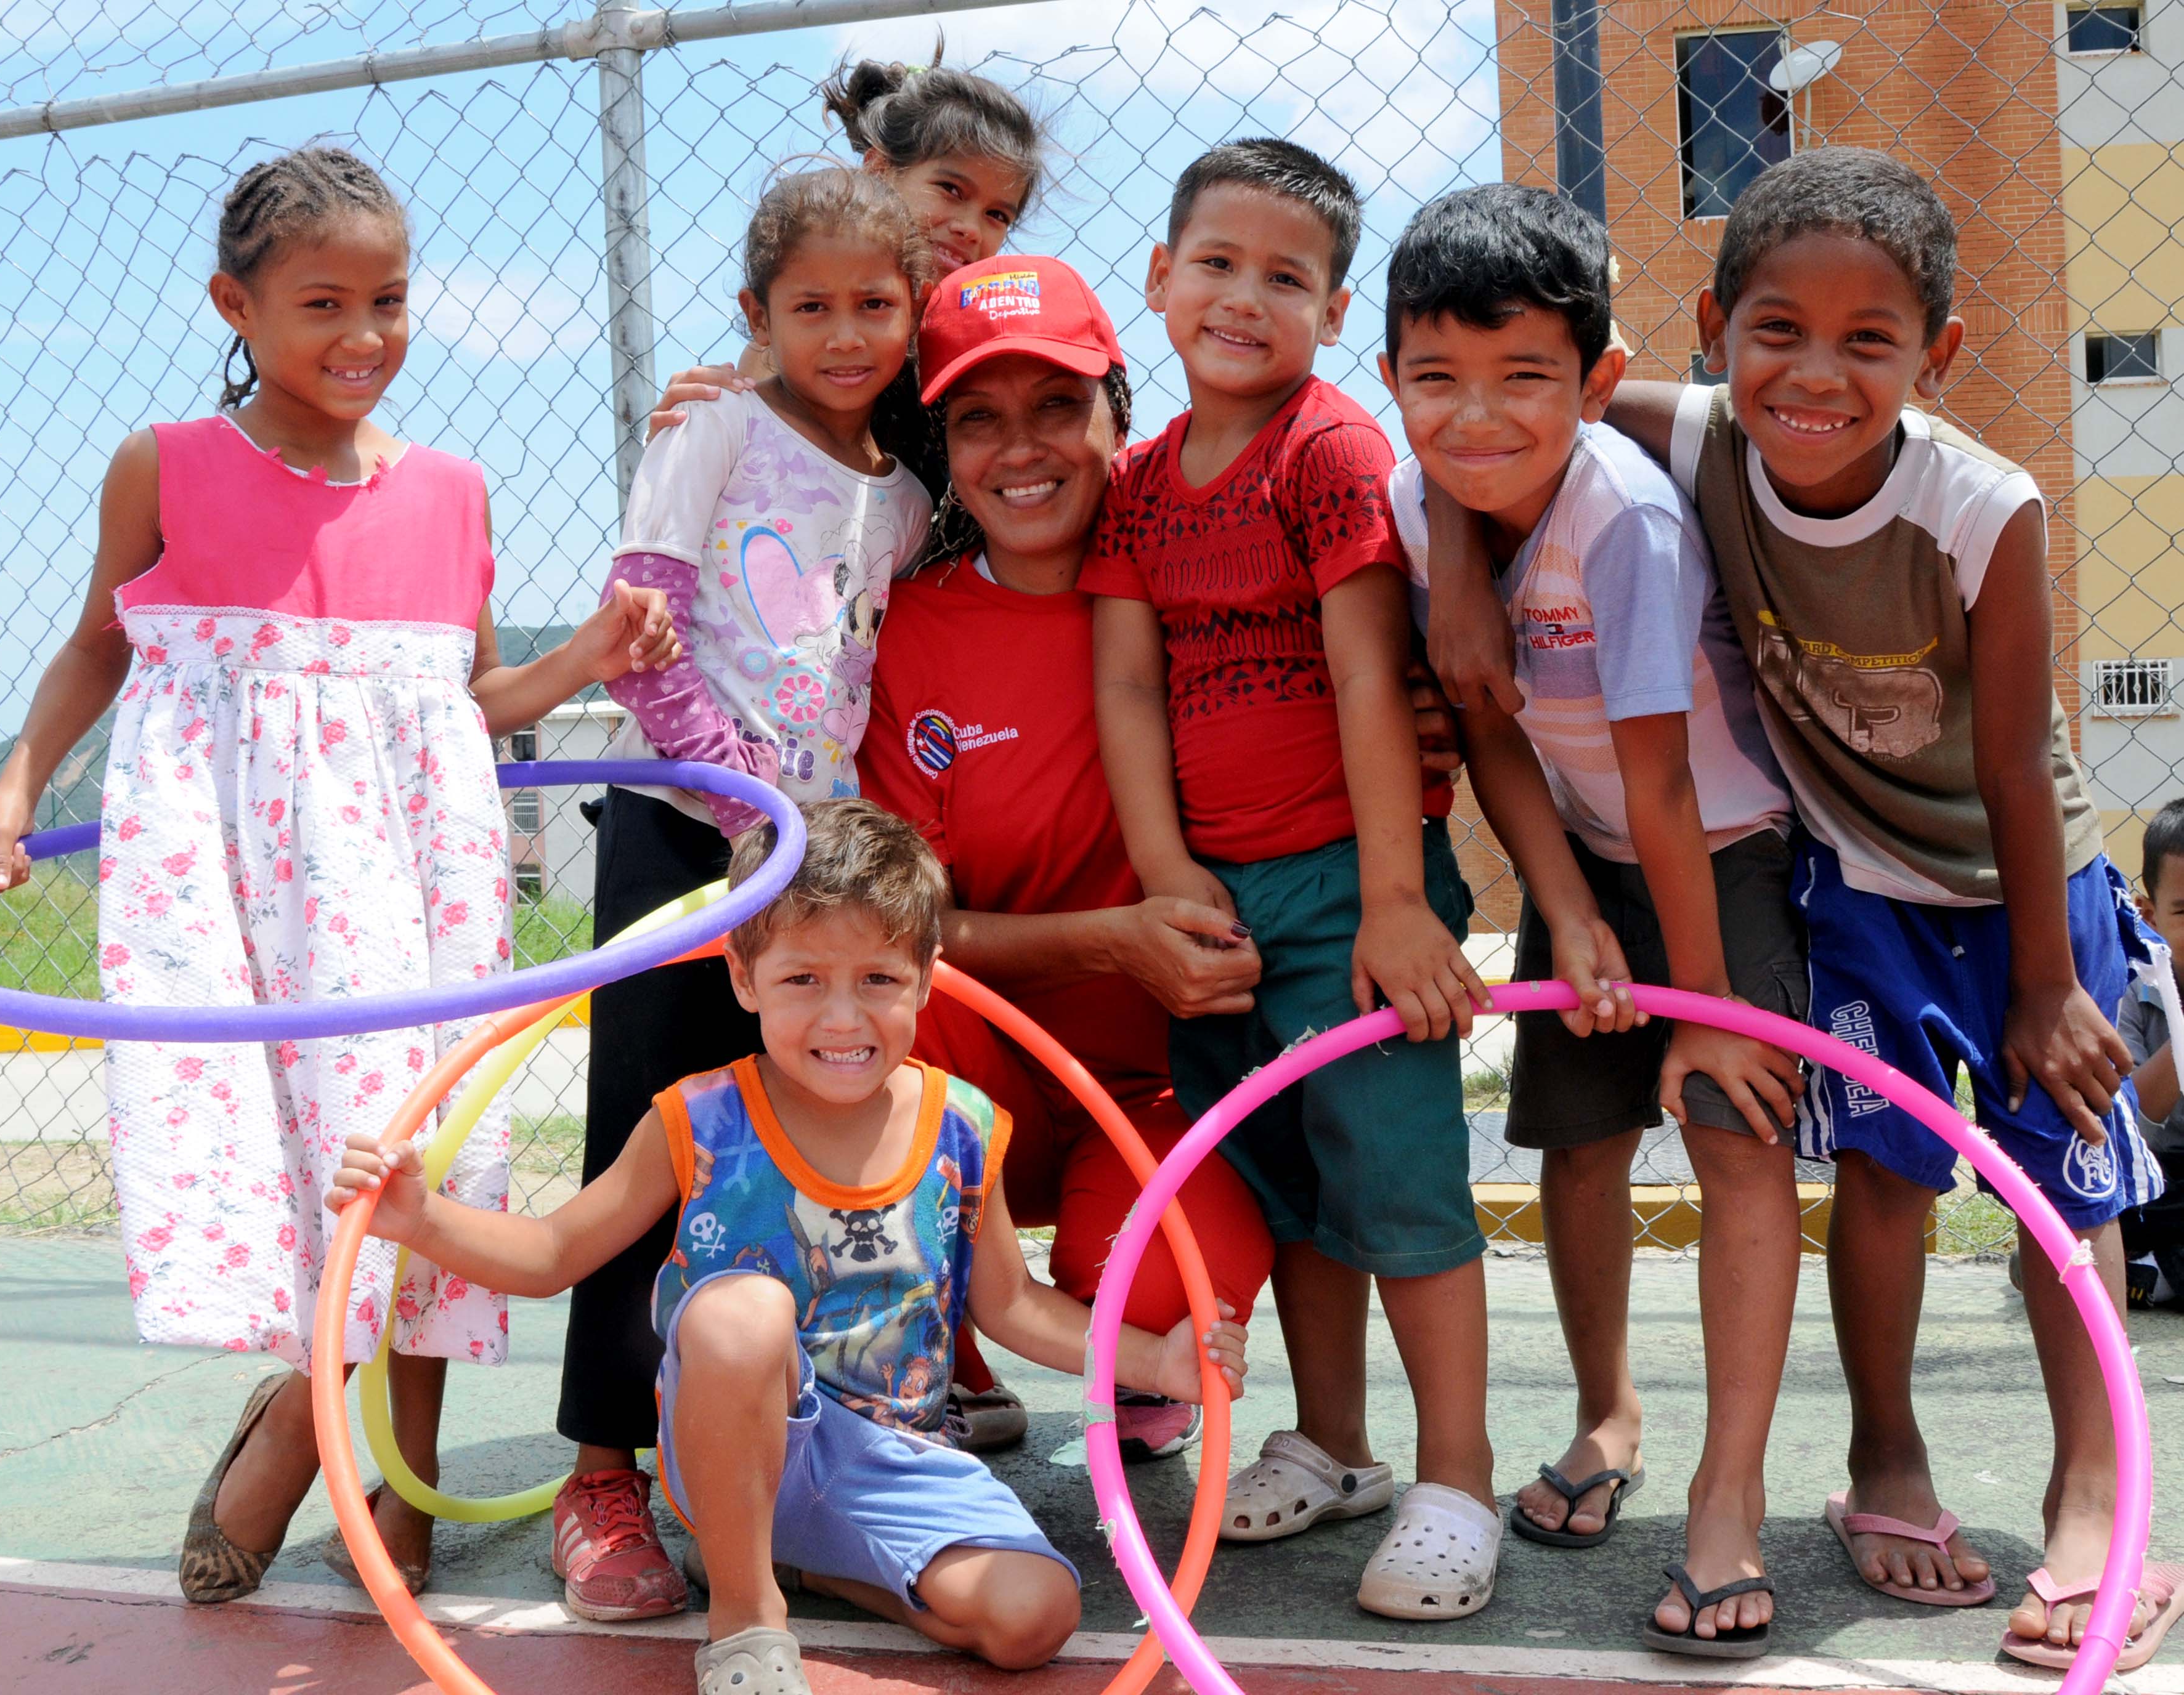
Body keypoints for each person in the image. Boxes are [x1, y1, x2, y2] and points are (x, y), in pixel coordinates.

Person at [1424, 148, 2178, 1667]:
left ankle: (2092, 1497)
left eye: (1865, 340)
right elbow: (1486, 431)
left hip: (2021, 889)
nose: (1812, 372)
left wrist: (2045, 979)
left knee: (2062, 1187)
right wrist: (1449, 566)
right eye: (1775, 330)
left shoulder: (1983, 505)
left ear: (1935, 354)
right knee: (1886, 1183)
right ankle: (1882, 1466)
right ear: (1711, 327)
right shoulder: (1688, 431)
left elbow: (2026, 773)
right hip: (1860, 890)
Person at [0, 146, 676, 1604]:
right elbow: (103, 640)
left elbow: (465, 708)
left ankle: (394, 1489)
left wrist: (585, 661)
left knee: (415, 1162)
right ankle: (297, 1413)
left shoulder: (451, 490)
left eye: (390, 301)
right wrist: (13, 788)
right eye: (322, 302)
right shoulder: (171, 464)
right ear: (237, 305)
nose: (363, 337)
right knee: (293, 1160)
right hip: (236, 879)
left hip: (414, 882)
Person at [325, 798, 1250, 1695]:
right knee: (745, 1310)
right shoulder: (698, 1118)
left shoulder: (961, 1129)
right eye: (803, 980)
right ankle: (745, 1613)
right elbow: (551, 1253)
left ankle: (805, 1569)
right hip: (736, 1435)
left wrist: (1158, 1361)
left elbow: (1009, 1306)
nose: (842, 1020)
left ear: (926, 979)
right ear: (743, 977)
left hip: (891, 1460)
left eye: (877, 981)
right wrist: (419, 1218)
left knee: (1034, 1617)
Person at [1082, 138, 1632, 1622]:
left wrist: (1396, 898)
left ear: (1334, 318)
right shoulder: (1134, 483)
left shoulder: (1322, 451)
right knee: (1288, 1188)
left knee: (1396, 1186)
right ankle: (1334, 1443)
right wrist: (1158, 879)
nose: (1241, 297)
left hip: (1344, 884)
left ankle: (1452, 1472)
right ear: (1157, 277)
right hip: (1214, 901)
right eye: (1214, 264)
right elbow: (1128, 688)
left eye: (1285, 277)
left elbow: (1363, 679)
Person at [1381, 182, 1804, 1656]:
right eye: (1434, 380)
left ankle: (1725, 1497)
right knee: (1572, 1135)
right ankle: (1604, 1411)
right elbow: (1491, 730)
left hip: (1716, 848)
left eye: (1522, 381)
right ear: (1387, 379)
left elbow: (1669, 789)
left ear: (1595, 380)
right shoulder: (1408, 496)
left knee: (1733, 1134)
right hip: (1576, 848)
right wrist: (1560, 912)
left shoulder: (1617, 520)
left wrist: (1694, 1005)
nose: (1474, 419)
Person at [551, 164, 936, 1622]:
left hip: (799, 864)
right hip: (686, 838)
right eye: (811, 305)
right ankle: (601, 1471)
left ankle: (777, 1451)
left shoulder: (901, 491)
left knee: (774, 1144)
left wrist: (799, 839)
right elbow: (641, 639)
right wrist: (736, 809)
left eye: (874, 306)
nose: (845, 333)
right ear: (753, 313)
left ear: (912, 314)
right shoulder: (711, 424)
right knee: (645, 1143)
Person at [856, 254, 1278, 1463]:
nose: (1020, 447)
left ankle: (1125, 1344)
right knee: (872, 1005)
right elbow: (907, 930)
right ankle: (937, 1351)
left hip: (1161, 1084)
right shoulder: (914, 626)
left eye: (1057, 405)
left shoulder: (1218, 578)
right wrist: (1112, 938)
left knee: (1159, 1295)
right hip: (989, 1068)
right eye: (978, 418)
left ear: (1120, 410)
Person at [648, 52, 1047, 513]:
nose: (971, 228)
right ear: (878, 170)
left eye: (997, 215)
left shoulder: (985, 340)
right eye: (951, 190)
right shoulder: (795, 341)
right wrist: (690, 436)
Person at [2118, 799, 2184, 1306]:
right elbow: (2133, 1126)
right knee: (2096, 1213)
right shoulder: (2128, 988)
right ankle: (2138, 1268)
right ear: (2150, 914)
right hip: (2154, 1181)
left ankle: (2150, 1278)